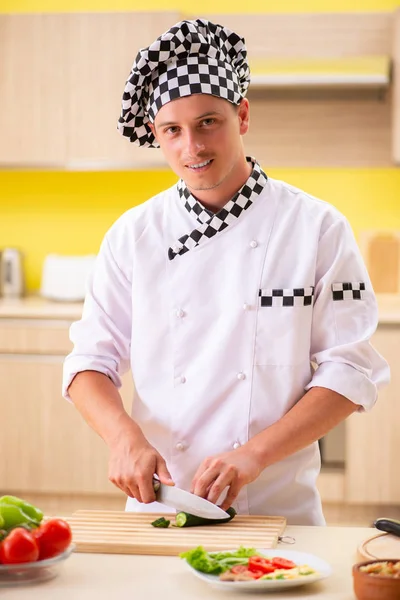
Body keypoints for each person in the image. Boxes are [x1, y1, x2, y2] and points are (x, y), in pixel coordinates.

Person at [62, 18, 390, 526]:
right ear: (156, 133)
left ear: (242, 115)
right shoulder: (133, 236)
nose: (191, 146)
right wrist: (123, 437)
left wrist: (254, 454)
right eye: (173, 130)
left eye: (208, 122)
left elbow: (349, 371)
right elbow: (89, 362)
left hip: (278, 508)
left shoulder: (318, 228)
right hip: (160, 506)